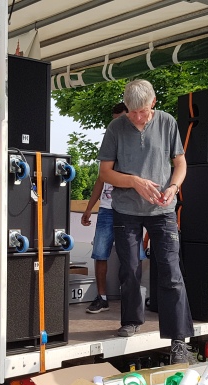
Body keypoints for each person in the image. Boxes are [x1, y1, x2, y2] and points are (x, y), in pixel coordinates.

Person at [97, 80, 193, 364]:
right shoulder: (115, 128)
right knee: (129, 268)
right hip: (125, 210)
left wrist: (174, 187)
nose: (136, 117)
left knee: (171, 272)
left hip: (162, 211)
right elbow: (104, 172)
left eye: (141, 111)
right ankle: (130, 321)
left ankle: (178, 341)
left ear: (153, 102)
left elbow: (180, 163)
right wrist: (134, 182)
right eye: (131, 112)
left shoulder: (167, 122)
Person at [81, 102, 128, 314]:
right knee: (100, 253)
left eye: (120, 119)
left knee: (131, 256)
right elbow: (101, 179)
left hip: (129, 209)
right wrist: (90, 207)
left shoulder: (135, 144)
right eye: (114, 121)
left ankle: (131, 298)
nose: (116, 124)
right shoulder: (110, 142)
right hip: (107, 210)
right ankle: (102, 298)